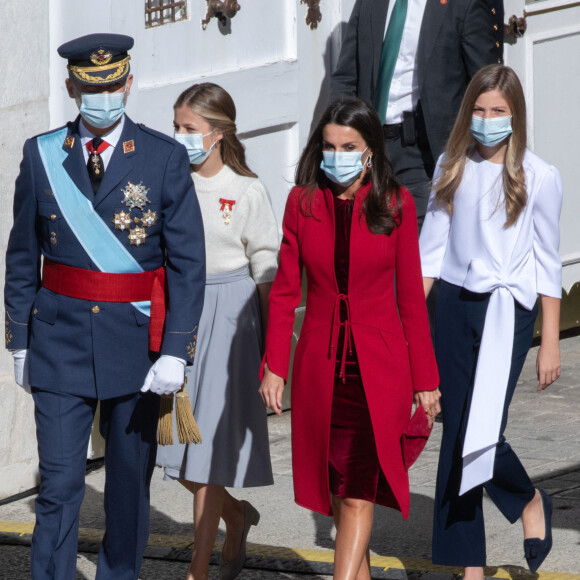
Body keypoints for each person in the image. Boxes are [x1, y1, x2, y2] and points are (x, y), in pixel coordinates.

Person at [4, 34, 205, 579]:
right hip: (58, 342)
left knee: (126, 488)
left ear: (129, 84)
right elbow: (22, 257)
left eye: (114, 85)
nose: (104, 97)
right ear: (72, 88)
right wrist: (19, 341)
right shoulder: (42, 154)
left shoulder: (163, 158)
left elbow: (188, 264)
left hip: (136, 346)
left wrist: (176, 352)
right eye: (92, 88)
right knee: (61, 483)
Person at [259, 97, 441, 580]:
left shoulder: (395, 204)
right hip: (321, 368)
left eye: (348, 146)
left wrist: (426, 379)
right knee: (339, 493)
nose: (336, 154)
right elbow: (283, 293)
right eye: (328, 145)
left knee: (359, 492)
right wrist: (275, 364)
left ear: (370, 151)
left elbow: (411, 302)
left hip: (378, 371)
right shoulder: (302, 204)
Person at [420, 65, 562, 579]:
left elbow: (549, 261)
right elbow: (429, 255)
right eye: (478, 111)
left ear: (515, 116)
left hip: (510, 313)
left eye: (497, 112)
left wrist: (551, 341)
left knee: (482, 429)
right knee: (458, 430)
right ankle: (470, 566)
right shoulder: (450, 167)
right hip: (454, 308)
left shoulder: (539, 175)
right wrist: (411, 329)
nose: (486, 121)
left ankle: (527, 500)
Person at [156, 82, 278, 580]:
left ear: (219, 133)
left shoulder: (245, 190)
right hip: (177, 309)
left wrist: (273, 348)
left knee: (204, 451)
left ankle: (198, 570)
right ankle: (234, 514)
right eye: (177, 126)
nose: (181, 136)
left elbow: (266, 264)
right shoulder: (169, 179)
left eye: (191, 129)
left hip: (229, 315)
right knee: (168, 445)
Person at [331, 0, 499, 229]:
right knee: (367, 239)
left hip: (421, 154)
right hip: (367, 151)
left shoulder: (462, 5)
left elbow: (485, 86)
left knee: (415, 249)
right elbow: (346, 78)